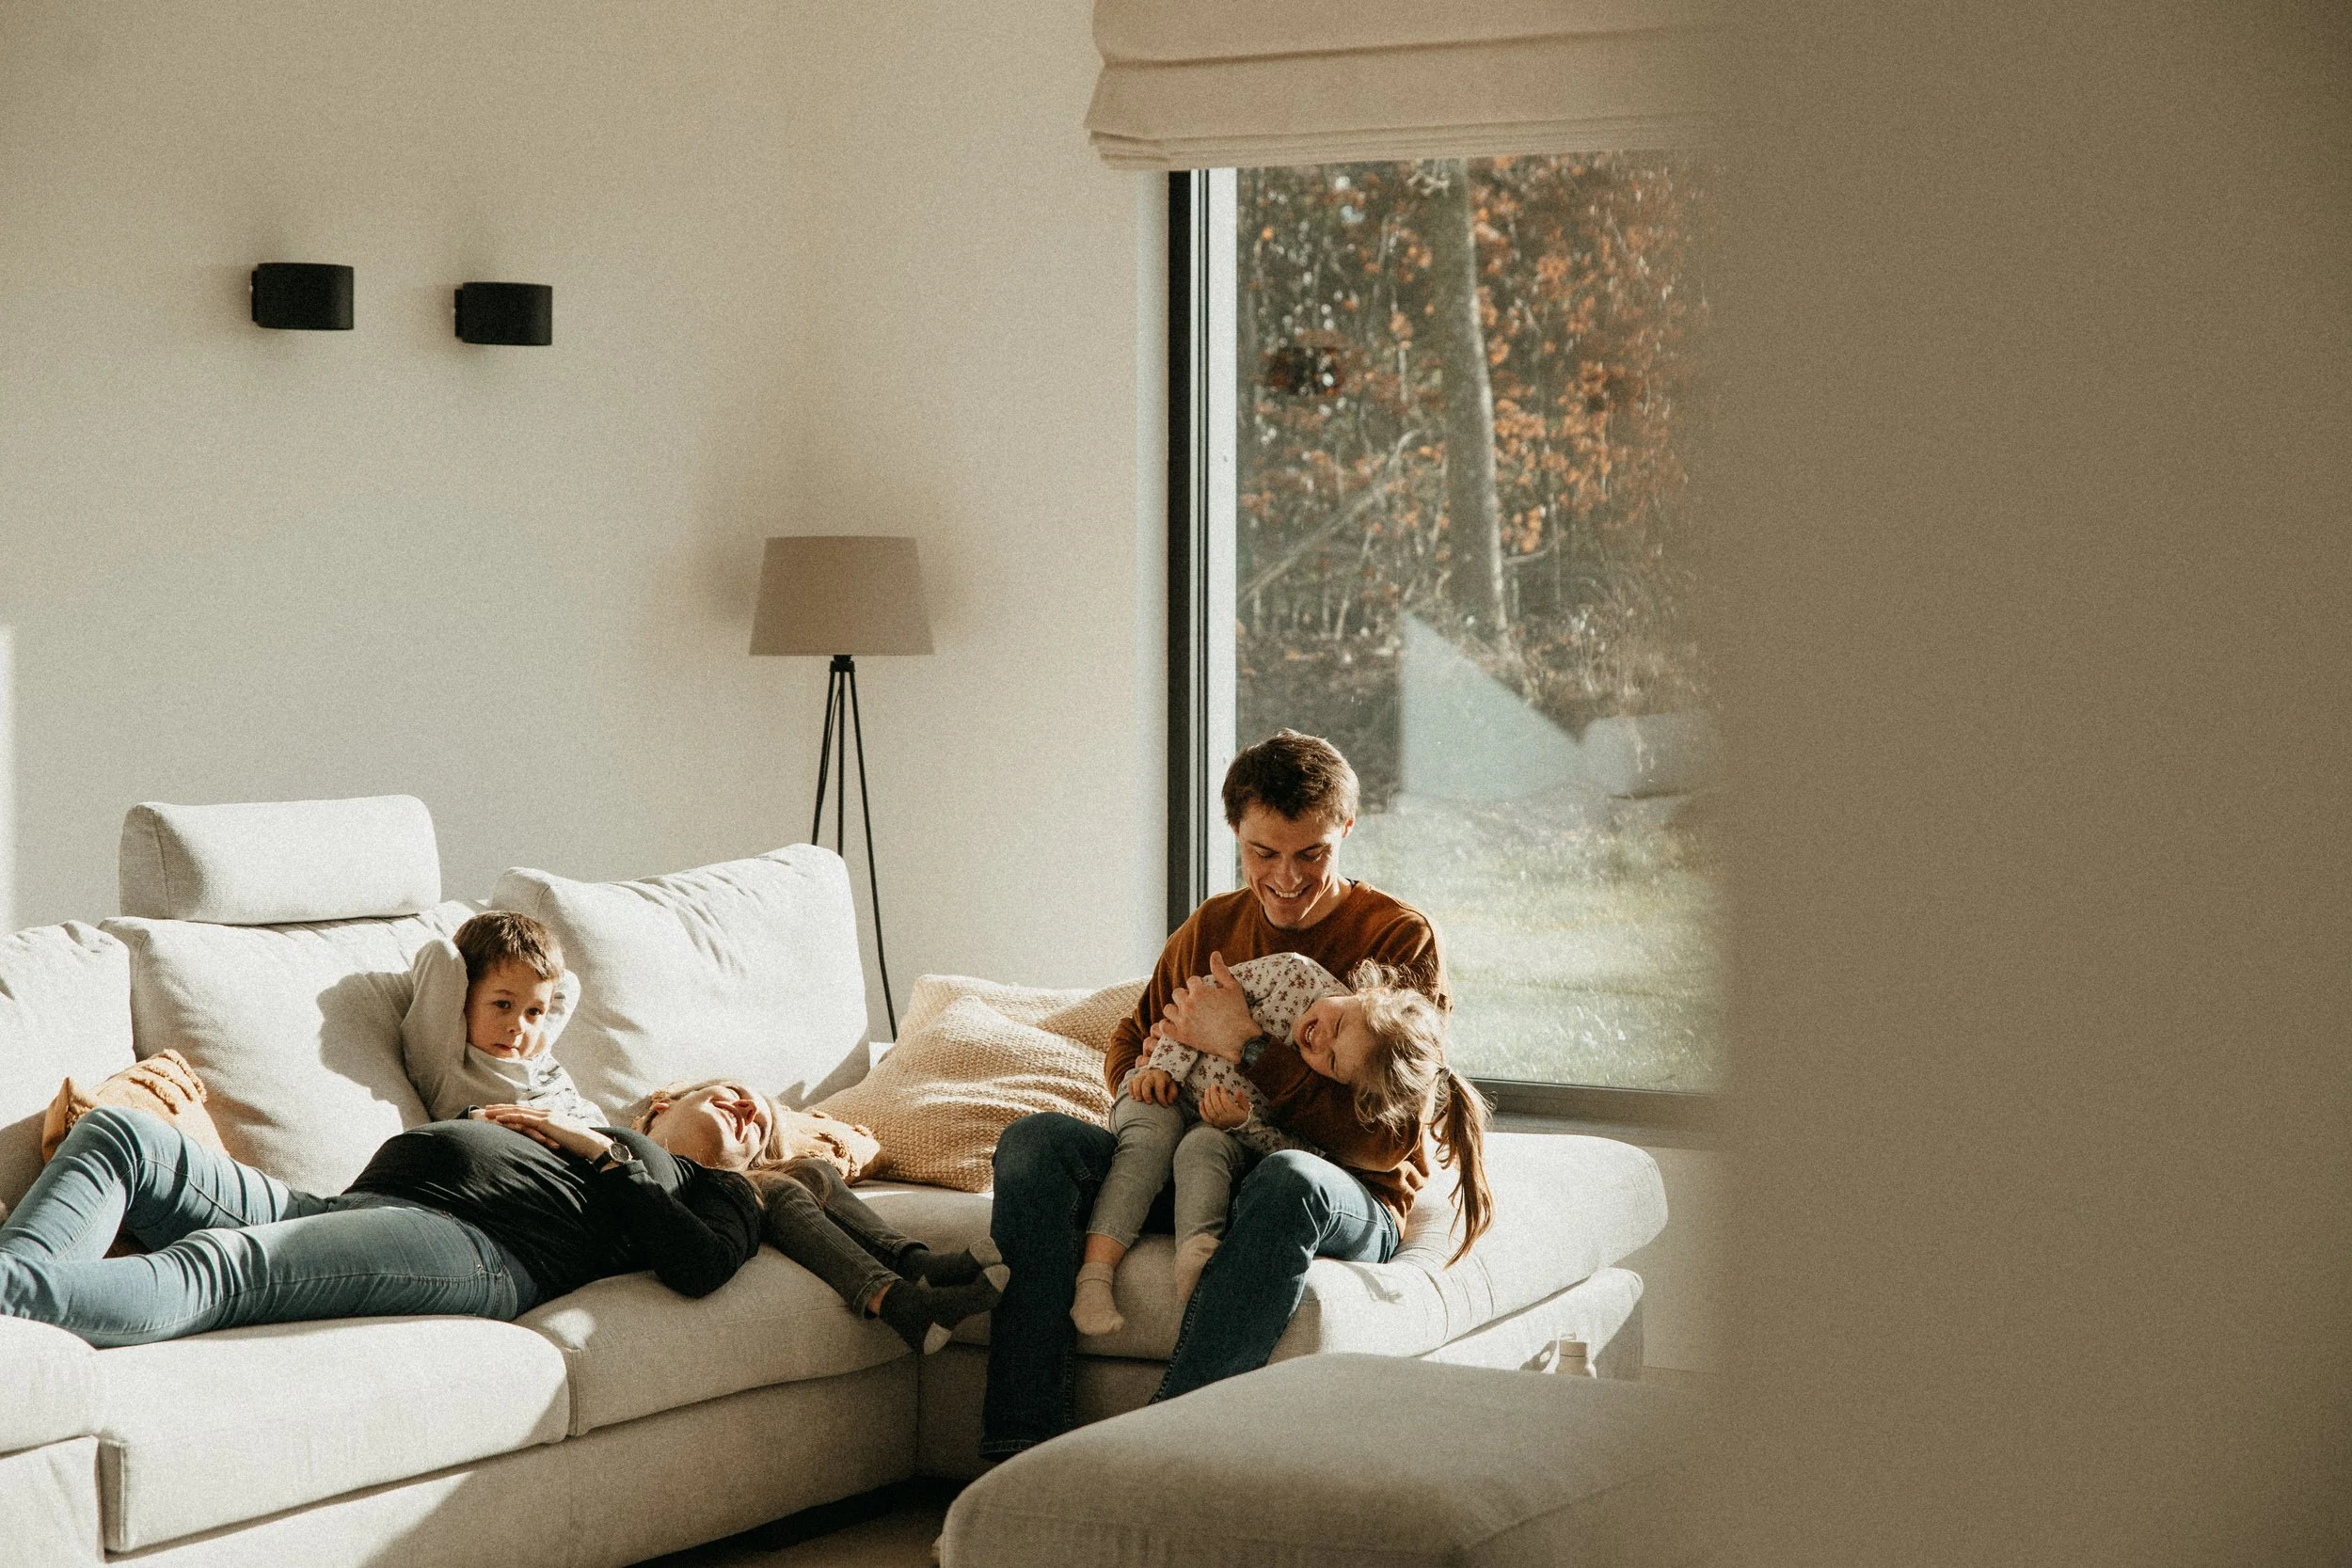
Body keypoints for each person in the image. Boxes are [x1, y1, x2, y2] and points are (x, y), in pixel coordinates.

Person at [982, 730, 1452, 1460]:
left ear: (1346, 829)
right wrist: (1150, 1080)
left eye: (1312, 853)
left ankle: (1169, 1452)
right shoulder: (1213, 925)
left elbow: (1386, 1134)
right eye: (1264, 853)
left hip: (1336, 1190)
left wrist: (1247, 1047)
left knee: (1285, 1178)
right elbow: (1130, 1039)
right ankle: (1018, 1453)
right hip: (1197, 1159)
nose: (1288, 878)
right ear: (1236, 834)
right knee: (1033, 1145)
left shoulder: (1396, 936)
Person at [1073, 950, 1480, 1335]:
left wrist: (1243, 1124)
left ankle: (1194, 1261)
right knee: (1150, 1145)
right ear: (1367, 994)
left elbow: (1298, 1150)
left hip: (1213, 1121)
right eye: (1338, 1025)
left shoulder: (1318, 1078)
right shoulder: (1294, 974)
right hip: (1162, 1088)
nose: (1320, 1042)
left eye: (1334, 1061)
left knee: (1203, 1151)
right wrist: (1162, 1067)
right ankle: (1095, 1278)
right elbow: (1201, 1002)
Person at [634, 1078, 1007, 1354]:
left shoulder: (732, 1189)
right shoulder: (613, 1142)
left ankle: (915, 1265)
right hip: (662, 1206)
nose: (748, 1110)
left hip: (713, 1202)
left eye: (760, 1130)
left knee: (807, 1170)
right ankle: (899, 1304)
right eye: (733, 1093)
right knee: (772, 1188)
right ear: (664, 1105)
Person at [399, 910, 604, 1126]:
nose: (518, 1026)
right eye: (502, 1004)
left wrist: (540, 1035)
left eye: (533, 1012)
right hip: (553, 1153)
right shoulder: (444, 1061)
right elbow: (440, 954)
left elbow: (568, 983)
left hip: (604, 1136)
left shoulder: (535, 1048)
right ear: (460, 995)